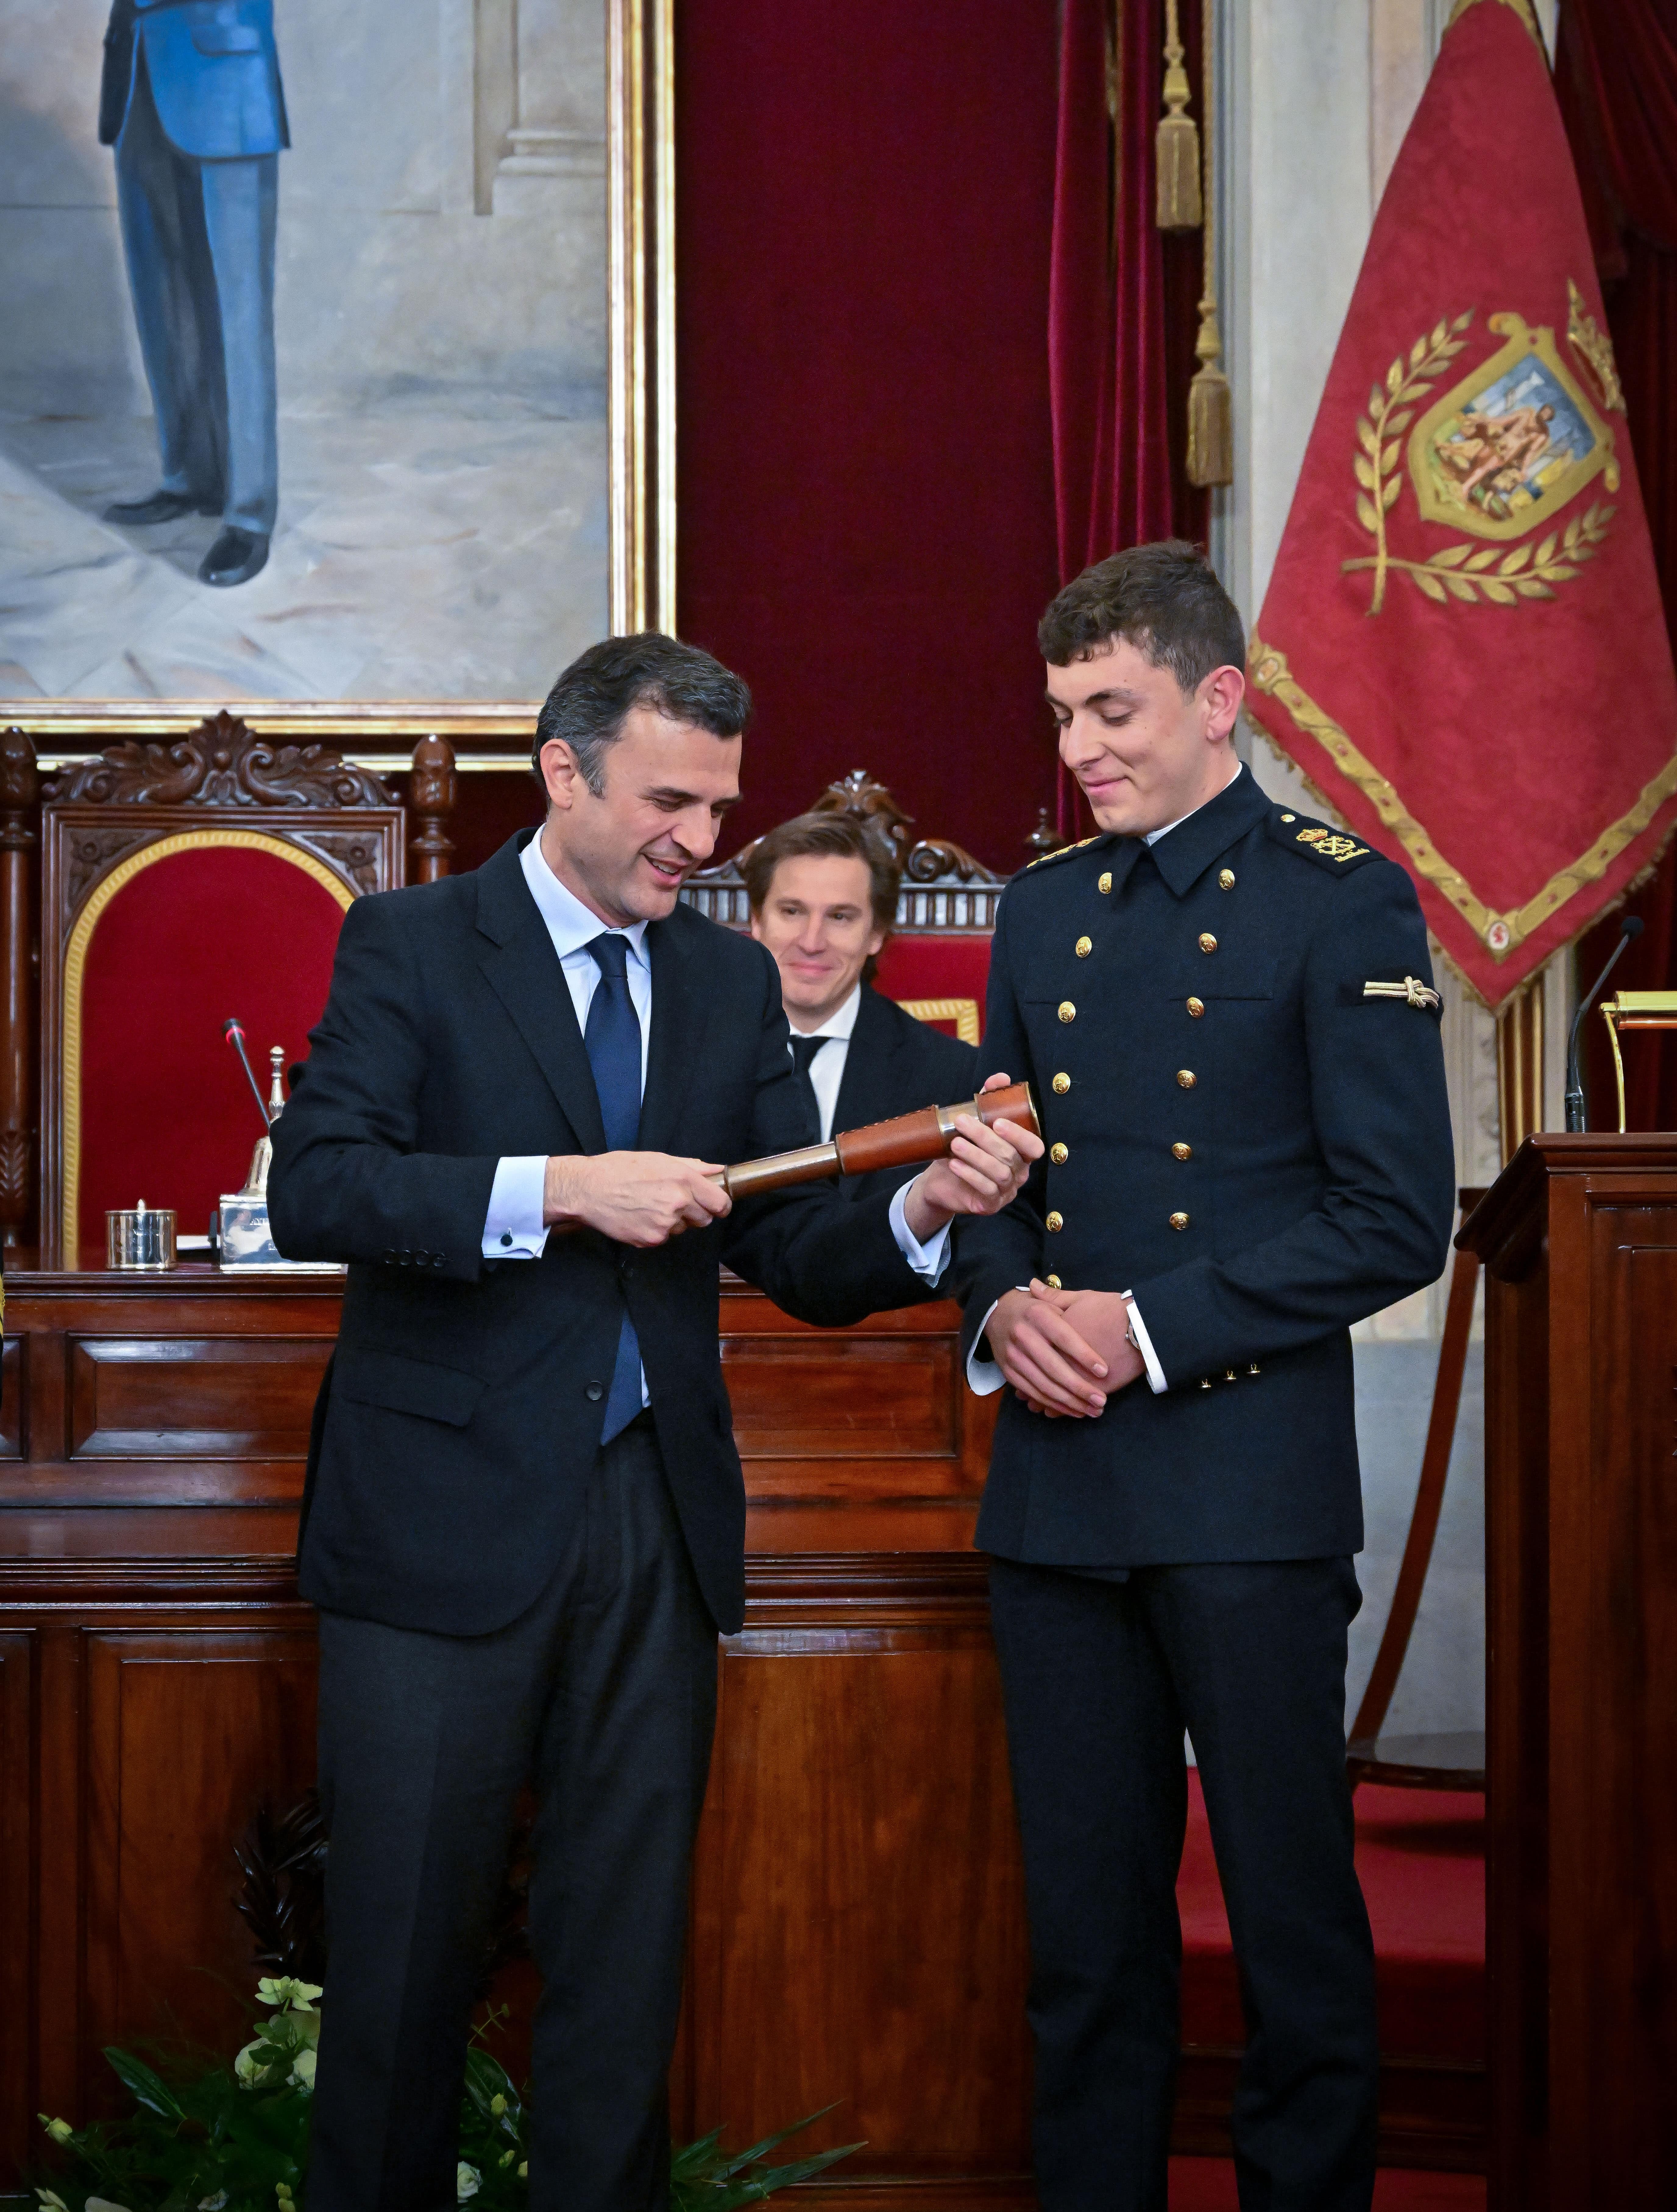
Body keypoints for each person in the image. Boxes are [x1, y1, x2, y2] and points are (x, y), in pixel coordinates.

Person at [266, 633, 1040, 2212]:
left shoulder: (724, 974)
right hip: (438, 1531)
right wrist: (554, 1191)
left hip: (654, 1532)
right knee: (404, 1977)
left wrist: (923, 1213)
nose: (702, 842)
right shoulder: (411, 942)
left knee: (620, 1984)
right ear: (567, 773)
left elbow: (789, 1253)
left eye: (720, 808)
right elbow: (320, 1188)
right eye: (672, 802)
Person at [957, 542, 1455, 2212]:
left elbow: (1394, 1217)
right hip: (1059, 1498)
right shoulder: (1037, 910)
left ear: (1219, 700)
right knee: (1085, 1948)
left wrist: (1140, 1326)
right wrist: (1010, 1296)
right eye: (1062, 714)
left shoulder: (1339, 894)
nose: (1082, 746)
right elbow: (993, 1168)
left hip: (1244, 1489)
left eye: (1114, 709)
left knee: (1294, 1933)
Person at [51, 0, 296, 589]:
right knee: (165, 305)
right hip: (140, 94)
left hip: (228, 100)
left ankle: (247, 514)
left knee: (235, 309)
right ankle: (190, 479)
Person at [743, 810, 978, 1171]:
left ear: (875, 934)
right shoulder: (694, 1054)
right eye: (792, 911)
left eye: (839, 917)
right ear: (757, 921)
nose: (811, 942)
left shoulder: (952, 1075)